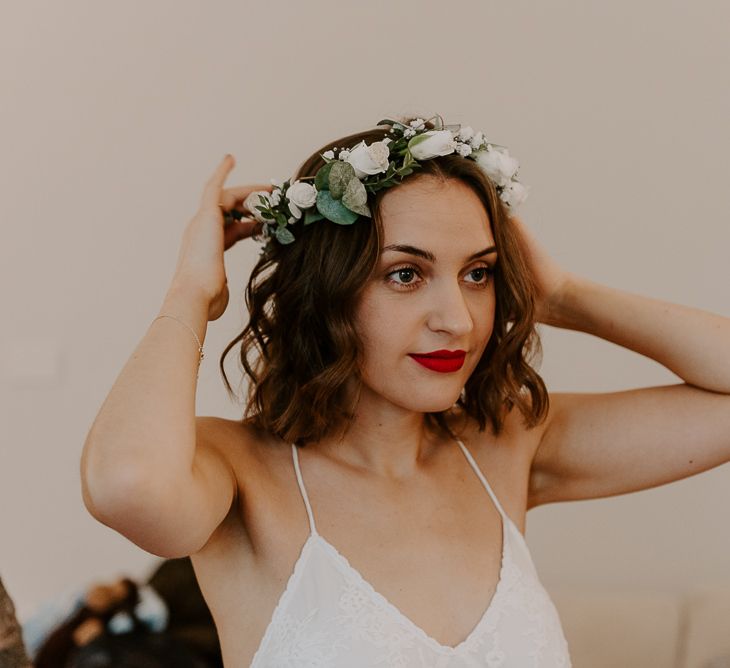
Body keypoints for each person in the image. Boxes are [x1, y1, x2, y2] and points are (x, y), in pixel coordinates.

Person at [80, 115, 730, 667]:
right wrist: (191, 294)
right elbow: (127, 485)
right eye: (405, 274)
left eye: (478, 273)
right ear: (330, 290)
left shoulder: (508, 445)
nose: (459, 318)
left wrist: (560, 294)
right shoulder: (240, 474)